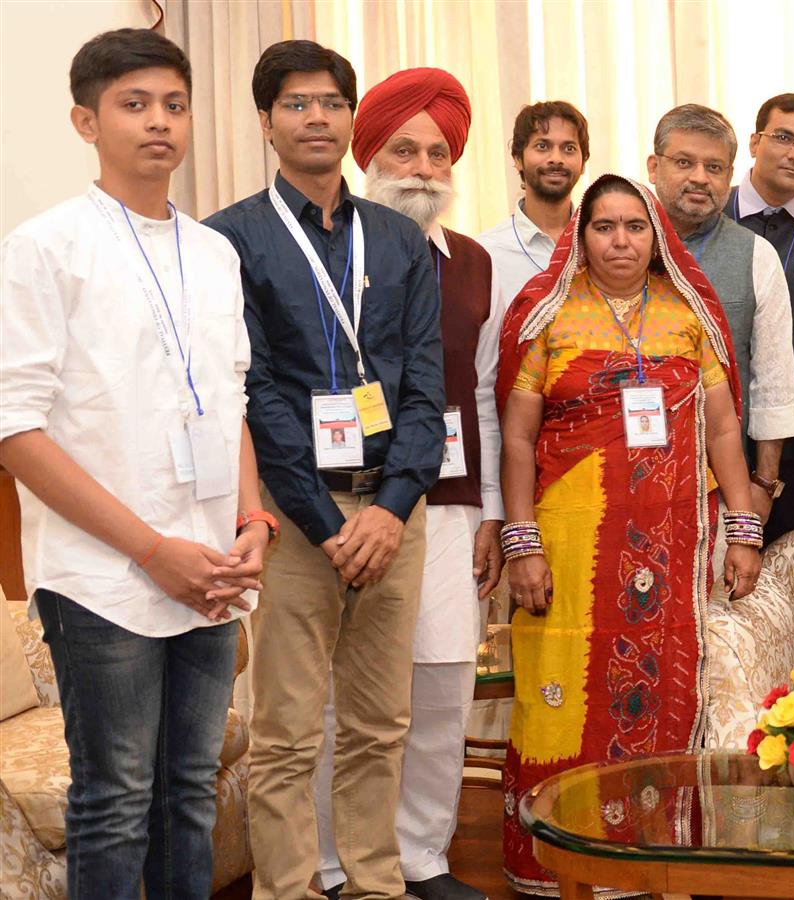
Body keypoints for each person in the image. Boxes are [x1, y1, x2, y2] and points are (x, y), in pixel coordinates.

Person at [0, 28, 268, 899]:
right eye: (134, 104)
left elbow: (230, 401)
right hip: (105, 576)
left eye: (175, 104)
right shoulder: (44, 248)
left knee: (189, 796)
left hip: (213, 568)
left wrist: (252, 521)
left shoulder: (216, 251)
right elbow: (15, 434)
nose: (160, 123)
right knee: (116, 801)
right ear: (86, 120)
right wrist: (155, 549)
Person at [205, 39, 444, 900]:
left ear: (352, 118)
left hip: (392, 517)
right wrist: (329, 522)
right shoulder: (227, 239)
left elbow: (425, 384)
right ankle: (288, 890)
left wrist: (392, 506)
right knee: (285, 735)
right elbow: (255, 394)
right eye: (297, 103)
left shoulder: (397, 236)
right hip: (297, 522)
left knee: (382, 726)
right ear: (267, 121)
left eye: (332, 102)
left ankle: (378, 885)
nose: (317, 117)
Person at [493, 175, 764, 893]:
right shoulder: (546, 315)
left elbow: (725, 426)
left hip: (669, 548)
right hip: (568, 547)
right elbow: (518, 438)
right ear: (580, 235)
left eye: (634, 227)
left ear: (657, 236)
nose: (620, 240)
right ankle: (554, 866)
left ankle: (649, 861)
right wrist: (522, 541)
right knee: (560, 697)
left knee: (660, 695)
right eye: (604, 226)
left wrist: (743, 529)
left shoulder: (687, 314)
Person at [303, 67, 504, 900]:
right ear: (368, 157)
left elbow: (486, 395)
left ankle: (420, 857)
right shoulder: (322, 251)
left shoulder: (475, 262)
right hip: (345, 503)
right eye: (403, 151)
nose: (422, 167)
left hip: (451, 502)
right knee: (340, 698)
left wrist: (495, 514)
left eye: (436, 153)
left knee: (443, 684)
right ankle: (330, 864)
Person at [646, 103, 794, 533]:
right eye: (684, 162)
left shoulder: (755, 256)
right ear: (653, 166)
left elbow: (773, 384)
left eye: (714, 166)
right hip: (623, 473)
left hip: (722, 485)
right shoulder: (614, 242)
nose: (699, 177)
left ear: (729, 175)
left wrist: (763, 485)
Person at [728, 92, 794, 540]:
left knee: (782, 553)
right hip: (714, 416)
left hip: (793, 429)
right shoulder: (712, 213)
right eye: (784, 138)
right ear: (754, 142)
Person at [477, 100, 589, 307]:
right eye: (542, 146)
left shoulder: (600, 244)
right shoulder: (486, 254)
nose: (556, 158)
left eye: (569, 148)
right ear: (518, 158)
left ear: (583, 164)